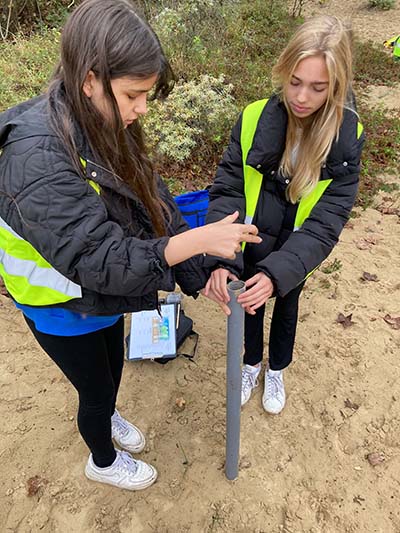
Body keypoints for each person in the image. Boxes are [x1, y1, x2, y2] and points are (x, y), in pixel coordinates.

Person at [0, 0, 261, 491]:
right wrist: (198, 240)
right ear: (90, 78)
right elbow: (100, 261)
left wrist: (198, 271)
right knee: (94, 392)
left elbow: (152, 198)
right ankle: (101, 458)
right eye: (134, 94)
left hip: (95, 299)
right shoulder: (36, 155)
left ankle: (109, 413)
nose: (142, 108)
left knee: (112, 365)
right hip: (57, 303)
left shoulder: (99, 119)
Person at [205, 15, 364, 415]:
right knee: (249, 303)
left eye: (318, 87)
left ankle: (277, 368)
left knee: (286, 303)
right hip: (253, 238)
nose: (302, 97)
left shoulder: (347, 137)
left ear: (337, 85)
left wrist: (281, 273)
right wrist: (223, 256)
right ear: (283, 70)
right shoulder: (254, 118)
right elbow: (228, 188)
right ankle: (251, 363)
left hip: (298, 245)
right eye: (294, 81)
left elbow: (328, 220)